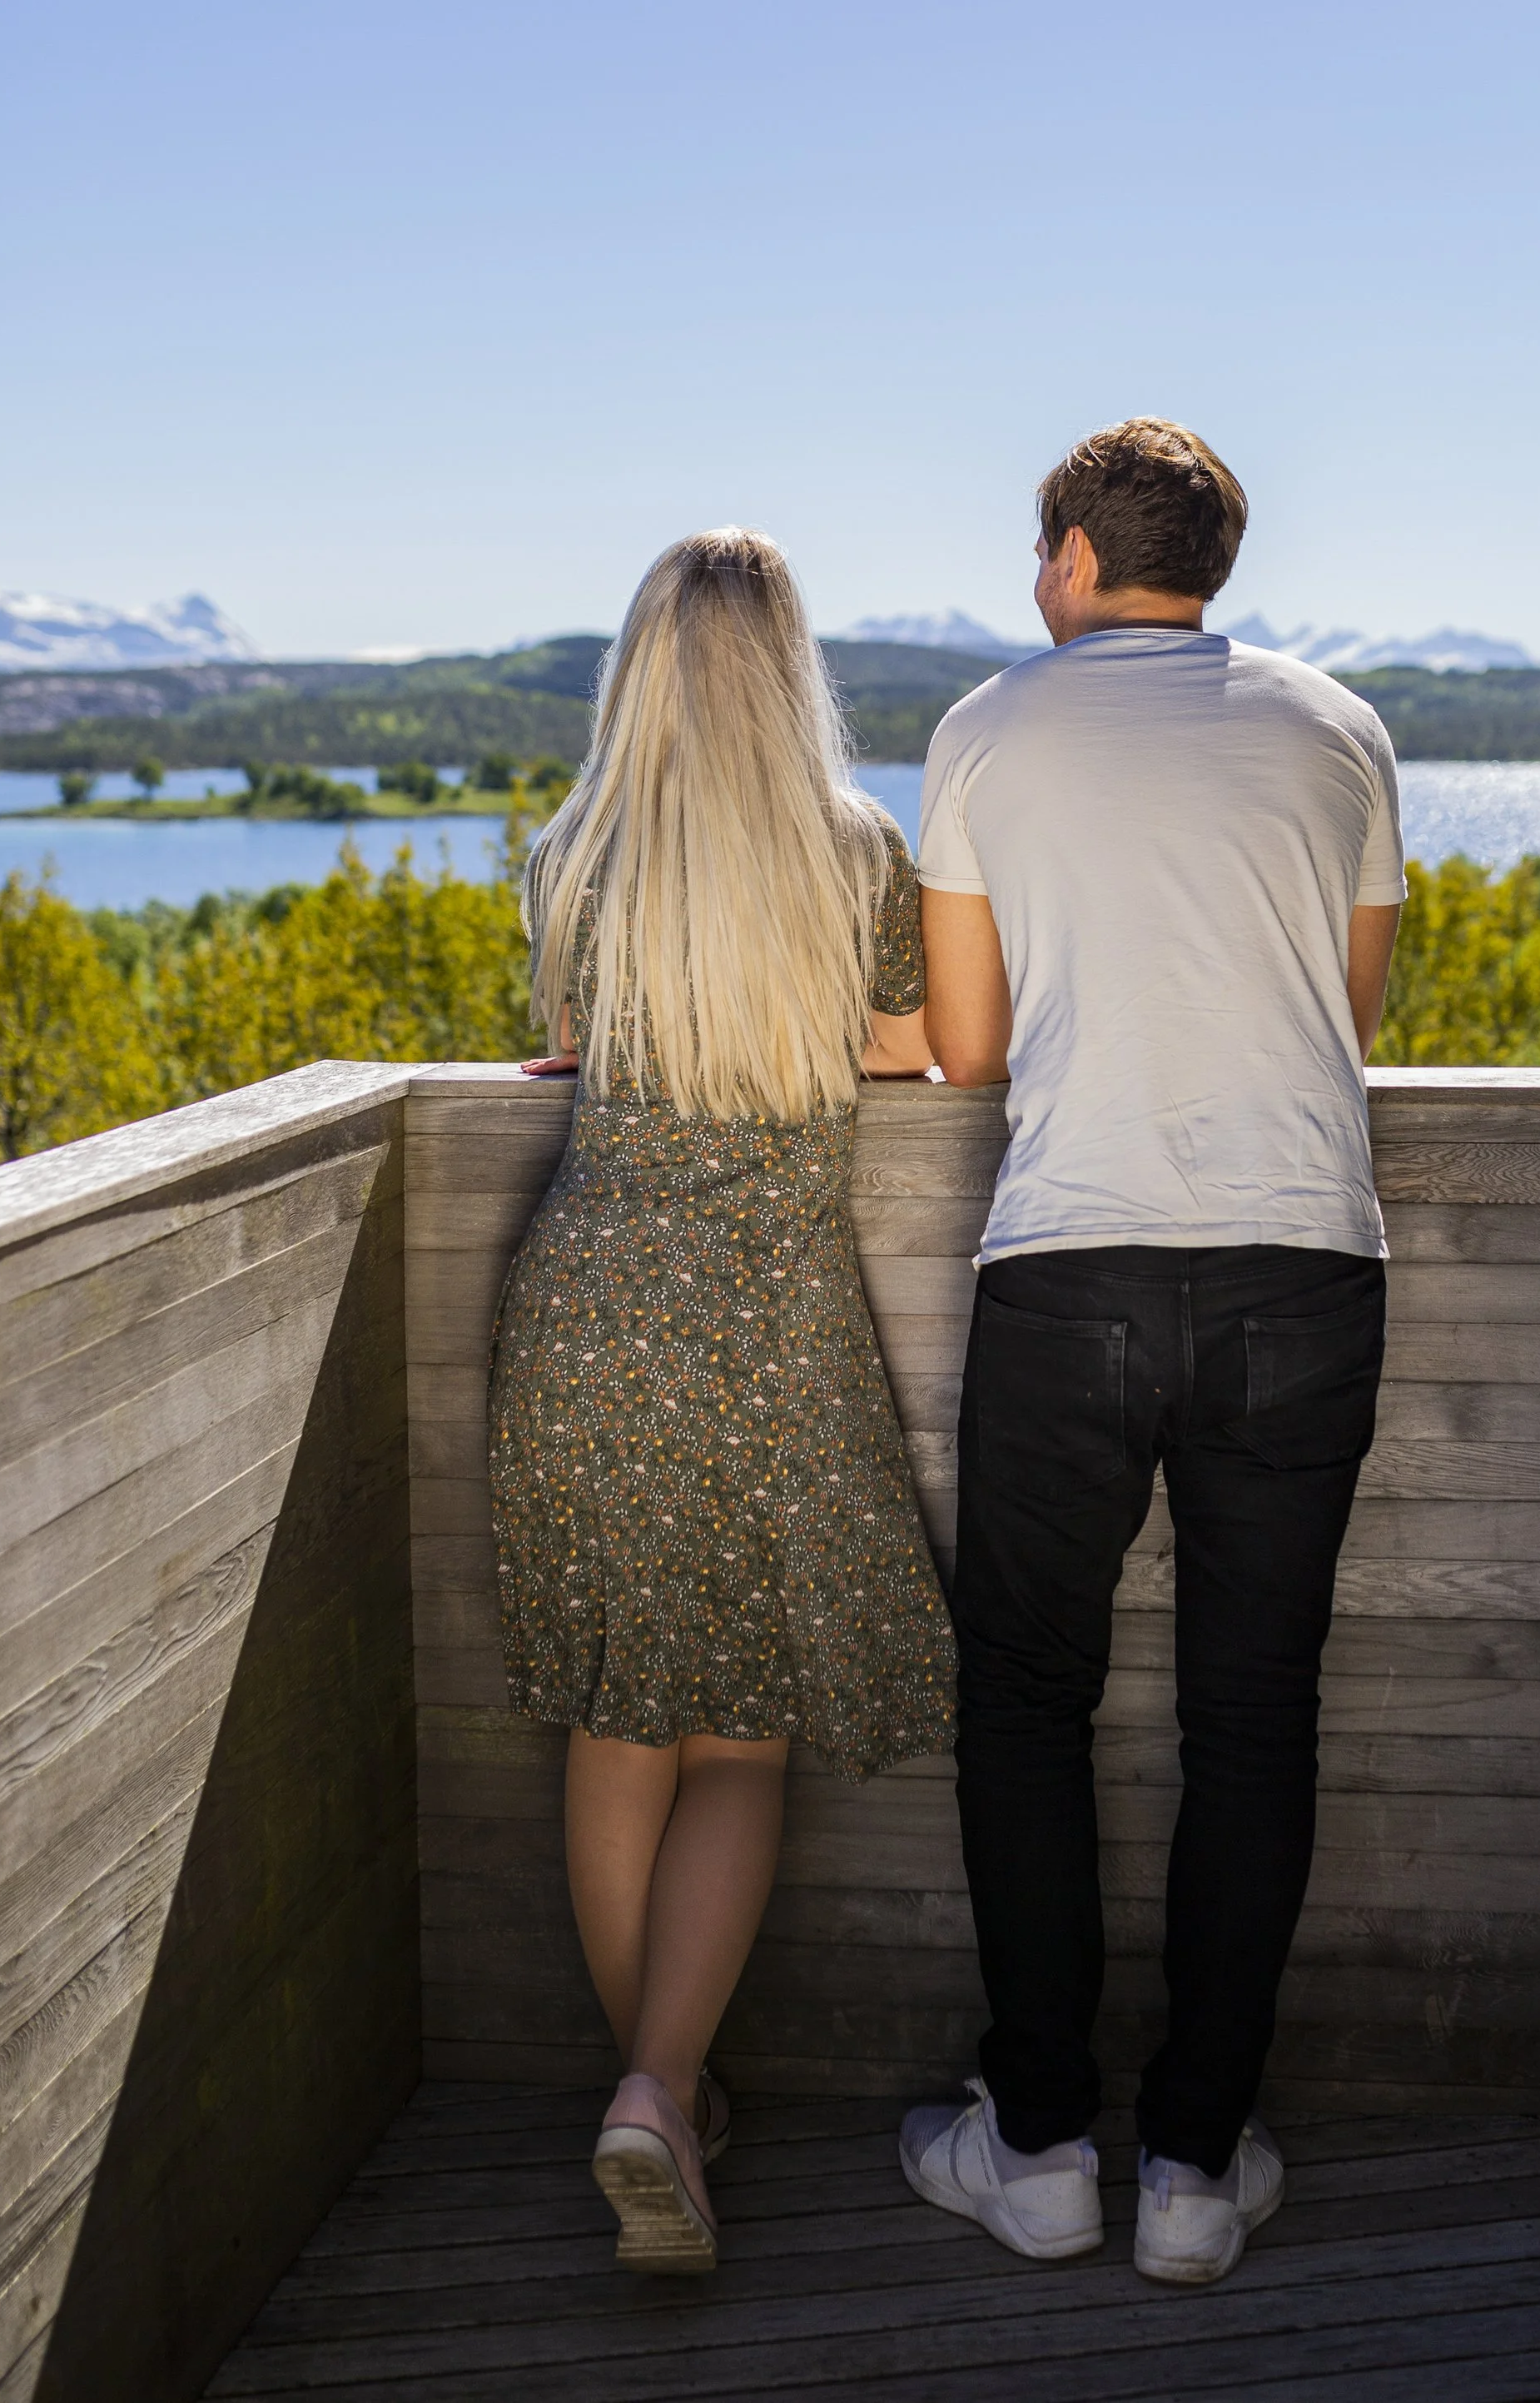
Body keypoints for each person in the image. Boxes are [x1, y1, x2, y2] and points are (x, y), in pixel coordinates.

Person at [899, 418, 1404, 2288]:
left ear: (1067, 561)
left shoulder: (983, 730)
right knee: (1250, 1720)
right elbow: (1336, 1014)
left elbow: (965, 1048)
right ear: (1208, 564)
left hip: (1072, 1265)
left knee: (1022, 1704)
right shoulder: (1335, 728)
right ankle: (1194, 2169)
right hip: (1298, 1265)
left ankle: (1034, 2150)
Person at [488, 528, 956, 2276]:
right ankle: (659, 2091)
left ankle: (656, 2096)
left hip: (581, 1313)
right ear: (790, 674)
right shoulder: (854, 855)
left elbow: (565, 1037)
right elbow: (910, 1055)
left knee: (618, 1722)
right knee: (740, 1733)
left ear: (637, 671)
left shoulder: (573, 855)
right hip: (762, 1331)